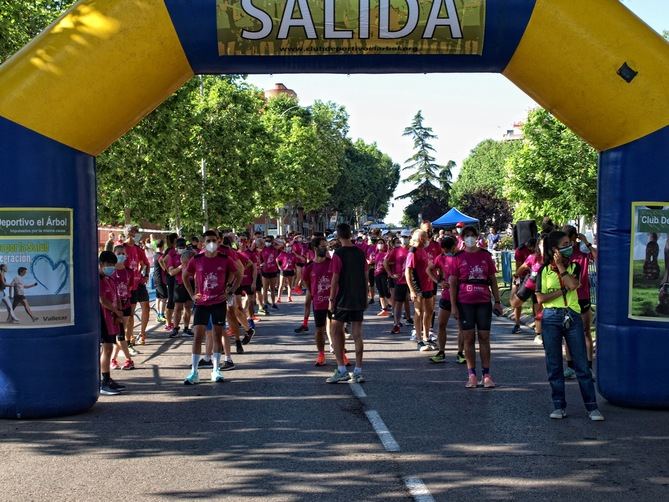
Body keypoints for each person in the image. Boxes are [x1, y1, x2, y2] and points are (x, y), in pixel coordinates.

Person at [535, 231, 604, 421]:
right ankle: (559, 405)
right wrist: (562, 289)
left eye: (570, 243)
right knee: (554, 363)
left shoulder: (573, 265)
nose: (570, 246)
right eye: (565, 244)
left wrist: (560, 268)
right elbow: (540, 297)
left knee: (581, 364)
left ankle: (592, 407)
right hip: (550, 318)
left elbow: (573, 284)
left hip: (572, 315)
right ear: (555, 249)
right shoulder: (543, 271)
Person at [182, 230, 242, 385]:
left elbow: (239, 274)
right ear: (203, 242)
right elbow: (184, 276)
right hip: (201, 302)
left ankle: (216, 370)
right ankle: (194, 372)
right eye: (208, 240)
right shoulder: (197, 259)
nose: (211, 243)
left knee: (217, 335)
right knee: (197, 337)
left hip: (218, 302)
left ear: (218, 241)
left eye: (214, 240)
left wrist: (229, 291)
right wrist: (192, 295)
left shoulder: (225, 259)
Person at [450, 226, 503, 388]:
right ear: (462, 238)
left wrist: (498, 301)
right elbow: (453, 282)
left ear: (477, 237)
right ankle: (471, 374)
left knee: (484, 337)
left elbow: (493, 279)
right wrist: (453, 305)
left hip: (483, 301)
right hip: (465, 302)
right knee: (468, 338)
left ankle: (486, 374)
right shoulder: (458, 257)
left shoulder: (485, 256)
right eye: (467, 236)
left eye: (472, 235)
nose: (470, 238)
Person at [327, 223, 368, 384]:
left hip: (342, 299)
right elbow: (365, 276)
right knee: (358, 335)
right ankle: (358, 371)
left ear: (338, 236)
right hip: (358, 298)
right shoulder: (360, 253)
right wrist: (365, 296)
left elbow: (335, 279)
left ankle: (341, 369)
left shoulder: (338, 254)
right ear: (350, 234)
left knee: (336, 331)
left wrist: (331, 299)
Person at [563, 225, 597, 376]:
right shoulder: (562, 255)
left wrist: (586, 242)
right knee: (568, 331)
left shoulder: (582, 252)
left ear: (573, 238)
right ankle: (570, 366)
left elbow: (597, 257)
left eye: (567, 240)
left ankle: (589, 366)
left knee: (585, 331)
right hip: (567, 298)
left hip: (582, 296)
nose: (566, 243)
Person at [427, 236, 465, 363]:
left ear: (455, 246)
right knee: (441, 324)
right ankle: (441, 352)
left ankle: (460, 353)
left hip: (461, 296)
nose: (446, 251)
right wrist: (438, 281)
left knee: (462, 326)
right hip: (446, 296)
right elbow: (429, 270)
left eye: (449, 249)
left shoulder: (461, 257)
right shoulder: (440, 258)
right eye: (444, 249)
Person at [98, 251, 126, 395]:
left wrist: (118, 313)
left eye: (113, 265)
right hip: (102, 317)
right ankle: (104, 382)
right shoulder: (98, 279)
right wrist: (116, 311)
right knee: (107, 348)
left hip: (112, 318)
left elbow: (116, 296)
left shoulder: (110, 278)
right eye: (108, 265)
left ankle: (107, 379)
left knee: (109, 348)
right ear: (101, 264)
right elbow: (102, 300)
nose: (111, 268)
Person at [303, 236, 333, 366]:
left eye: (325, 245)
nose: (325, 248)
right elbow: (307, 284)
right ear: (315, 248)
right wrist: (314, 294)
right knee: (319, 329)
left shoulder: (331, 262)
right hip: (319, 303)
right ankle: (321, 354)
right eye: (322, 246)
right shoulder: (309, 266)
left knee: (336, 329)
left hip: (333, 302)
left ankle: (341, 354)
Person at [406, 229, 436, 351]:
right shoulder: (412, 252)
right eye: (424, 237)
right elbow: (408, 272)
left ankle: (426, 336)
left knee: (429, 312)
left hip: (428, 285)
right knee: (419, 312)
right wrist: (412, 290)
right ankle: (419, 339)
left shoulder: (423, 250)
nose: (427, 239)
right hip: (418, 286)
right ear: (420, 239)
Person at [123, 225, 151, 347]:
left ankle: (142, 334)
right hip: (129, 286)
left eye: (138, 232)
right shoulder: (121, 248)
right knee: (131, 313)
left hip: (139, 282)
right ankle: (129, 337)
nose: (137, 234)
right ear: (129, 233)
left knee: (146, 307)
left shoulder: (138, 249)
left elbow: (147, 263)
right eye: (135, 232)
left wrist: (145, 275)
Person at [110, 245, 136, 370]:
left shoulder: (129, 272)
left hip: (125, 305)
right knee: (119, 335)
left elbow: (129, 287)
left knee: (121, 334)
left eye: (122, 253)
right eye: (118, 253)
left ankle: (113, 359)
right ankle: (128, 359)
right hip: (113, 307)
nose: (121, 255)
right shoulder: (110, 272)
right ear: (114, 254)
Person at [385, 229, 412, 334]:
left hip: (413, 281)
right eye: (403, 237)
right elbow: (385, 262)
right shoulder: (396, 250)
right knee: (399, 303)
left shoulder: (414, 249)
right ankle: (396, 324)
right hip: (401, 280)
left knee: (418, 303)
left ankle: (421, 327)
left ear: (410, 238)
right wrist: (391, 275)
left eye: (406, 237)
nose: (405, 239)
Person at [168, 238, 194, 338]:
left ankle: (186, 328)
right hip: (179, 284)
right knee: (178, 307)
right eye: (179, 247)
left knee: (188, 306)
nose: (181, 249)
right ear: (176, 247)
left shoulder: (191, 255)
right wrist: (180, 267)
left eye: (183, 247)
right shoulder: (173, 256)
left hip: (190, 283)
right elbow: (171, 272)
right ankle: (175, 328)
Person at [511, 238, 536, 334]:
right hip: (523, 278)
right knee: (517, 301)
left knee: (536, 302)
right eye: (531, 249)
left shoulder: (540, 251)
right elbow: (518, 269)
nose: (533, 251)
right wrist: (516, 283)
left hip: (536, 278)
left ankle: (537, 324)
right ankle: (517, 324)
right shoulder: (520, 251)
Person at [373, 238, 392, 316]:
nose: (380, 244)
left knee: (386, 293)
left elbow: (390, 262)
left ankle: (394, 308)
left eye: (381, 243)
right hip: (377, 274)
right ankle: (384, 309)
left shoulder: (387, 253)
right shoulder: (377, 253)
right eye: (379, 243)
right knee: (380, 293)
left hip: (384, 274)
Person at [152, 239, 168, 324]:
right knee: (164, 297)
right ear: (162, 246)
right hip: (160, 279)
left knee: (158, 297)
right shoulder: (161, 256)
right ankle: (161, 315)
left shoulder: (155, 255)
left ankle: (158, 314)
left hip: (156, 278)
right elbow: (164, 267)